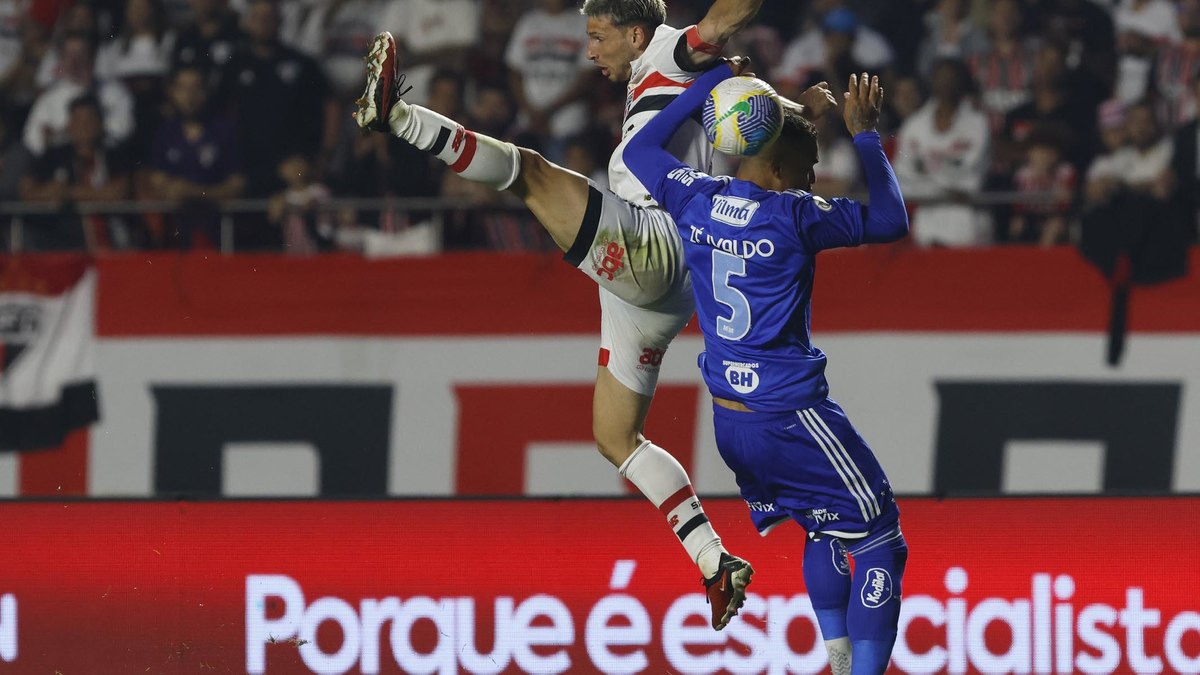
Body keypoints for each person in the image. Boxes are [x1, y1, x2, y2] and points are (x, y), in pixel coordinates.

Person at [355, 0, 836, 630]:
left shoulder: (669, 49)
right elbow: (750, 108)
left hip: (653, 240)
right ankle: (712, 560)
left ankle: (398, 117)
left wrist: (742, 54)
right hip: (668, 281)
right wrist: (803, 108)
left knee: (528, 173)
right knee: (615, 437)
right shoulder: (679, 77)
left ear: (634, 33)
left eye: (596, 36)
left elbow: (721, 23)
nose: (589, 51)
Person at [623, 64, 909, 675]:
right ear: (780, 172)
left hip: (731, 423)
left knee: (823, 525)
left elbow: (640, 147)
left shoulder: (691, 196)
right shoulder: (795, 216)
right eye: (805, 174)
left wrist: (710, 92)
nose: (810, 182)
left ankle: (835, 657)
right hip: (790, 414)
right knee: (881, 536)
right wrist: (864, 136)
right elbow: (890, 220)